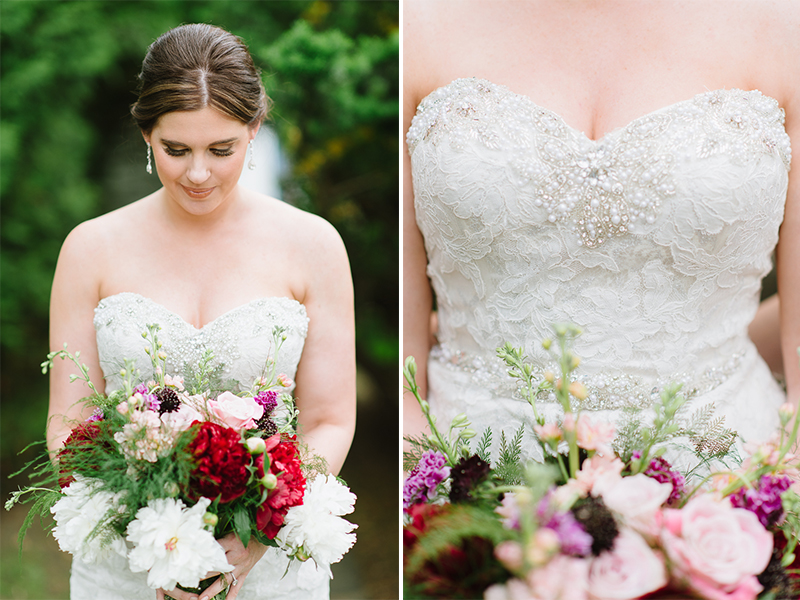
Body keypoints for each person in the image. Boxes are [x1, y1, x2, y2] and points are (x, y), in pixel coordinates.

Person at [403, 0, 800, 462]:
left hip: (734, 479)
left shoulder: (783, 24)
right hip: (461, 477)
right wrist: (418, 477)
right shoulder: (419, 21)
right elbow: (402, 378)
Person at [47, 23, 355, 600]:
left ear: (254, 129)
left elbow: (329, 420)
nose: (197, 174)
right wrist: (147, 534)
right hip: (129, 561)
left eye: (221, 150)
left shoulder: (314, 245)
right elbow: (67, 423)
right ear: (146, 134)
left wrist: (262, 530)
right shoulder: (89, 249)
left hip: (272, 564)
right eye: (176, 149)